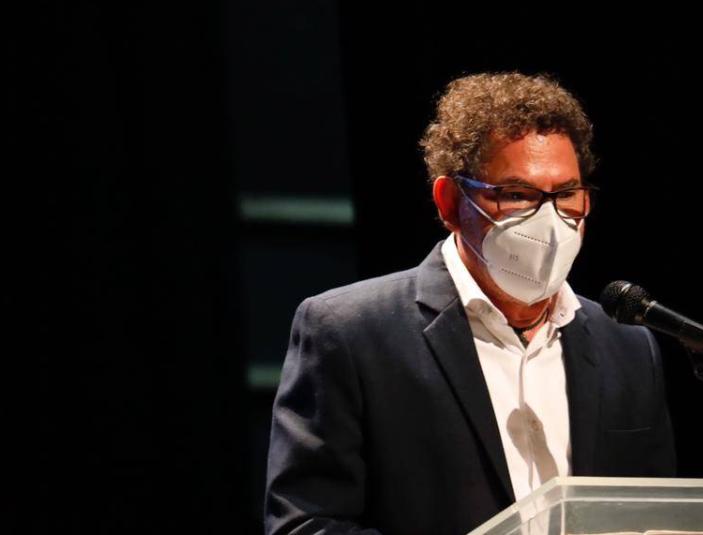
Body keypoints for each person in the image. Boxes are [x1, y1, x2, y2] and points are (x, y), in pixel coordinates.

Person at [265, 72, 675, 535]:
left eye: (565, 195)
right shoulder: (349, 332)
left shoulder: (627, 345)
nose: (549, 220)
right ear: (450, 203)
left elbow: (654, 515)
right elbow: (306, 524)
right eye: (517, 195)